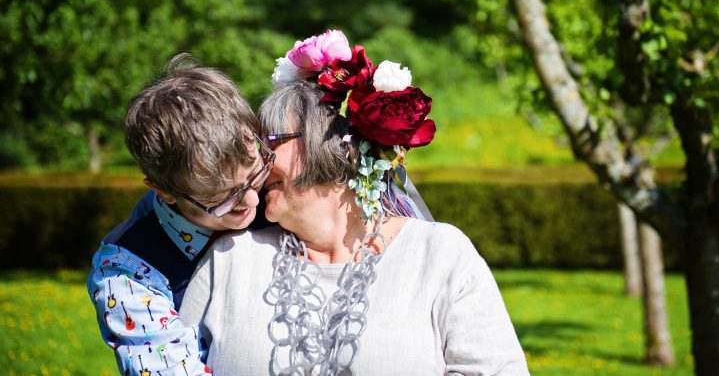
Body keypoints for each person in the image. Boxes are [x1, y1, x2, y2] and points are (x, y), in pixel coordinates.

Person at [180, 30, 530, 375]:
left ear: (336, 143)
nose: (259, 162)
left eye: (272, 141)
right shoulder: (230, 260)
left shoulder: (439, 255)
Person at [86, 54, 275, 375]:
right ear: (164, 191)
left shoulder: (278, 188)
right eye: (222, 199)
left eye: (255, 175)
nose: (254, 201)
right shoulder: (127, 273)